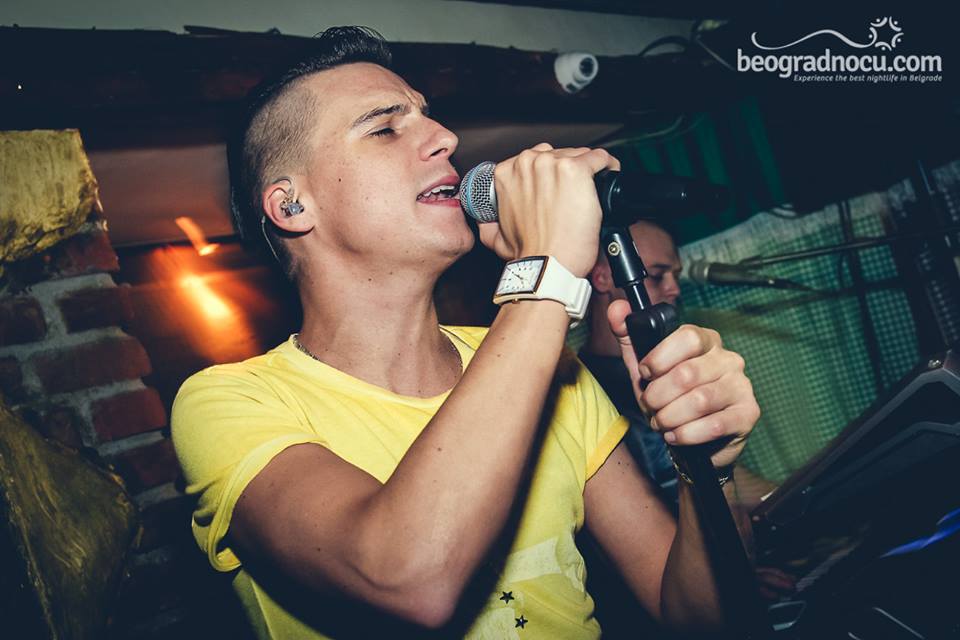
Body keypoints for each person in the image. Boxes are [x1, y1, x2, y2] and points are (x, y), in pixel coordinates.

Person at [171, 27, 762, 639]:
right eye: (384, 128)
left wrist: (704, 469)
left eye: (427, 115)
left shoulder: (552, 369)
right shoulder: (229, 403)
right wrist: (549, 271)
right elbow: (407, 577)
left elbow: (700, 618)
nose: (445, 138)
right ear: (291, 206)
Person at [582, 219, 778, 508]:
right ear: (602, 278)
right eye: (657, 276)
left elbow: (720, 477)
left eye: (675, 276)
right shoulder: (582, 389)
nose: (674, 289)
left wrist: (791, 498)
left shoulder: (669, 368)